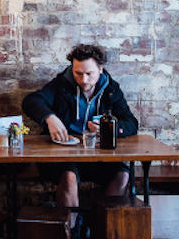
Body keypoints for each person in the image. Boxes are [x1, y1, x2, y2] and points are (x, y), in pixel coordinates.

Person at [23, 44, 139, 219]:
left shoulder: (111, 90)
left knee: (123, 174)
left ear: (100, 70)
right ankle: (70, 236)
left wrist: (110, 129)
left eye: (89, 74)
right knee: (69, 176)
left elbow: (131, 123)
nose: (83, 79)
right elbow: (31, 101)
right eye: (78, 73)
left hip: (99, 156)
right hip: (64, 155)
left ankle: (104, 229)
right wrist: (49, 117)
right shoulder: (61, 84)